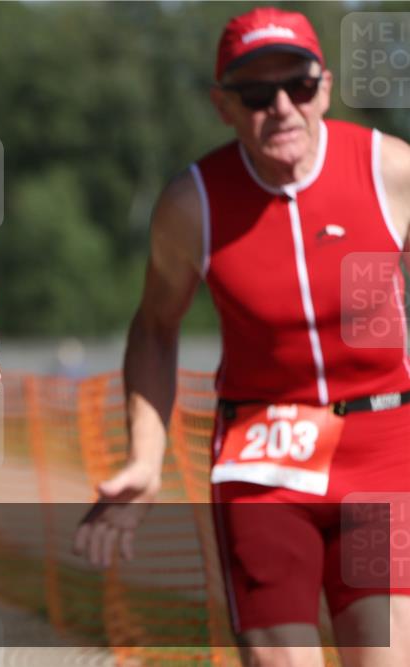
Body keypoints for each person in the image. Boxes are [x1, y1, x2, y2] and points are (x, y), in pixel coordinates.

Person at [74, 8, 410, 667]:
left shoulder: (390, 171)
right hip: (262, 457)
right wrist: (146, 456)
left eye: (299, 85)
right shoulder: (192, 203)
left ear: (326, 87)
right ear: (223, 105)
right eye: (256, 93)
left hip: (381, 458)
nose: (281, 107)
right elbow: (154, 326)